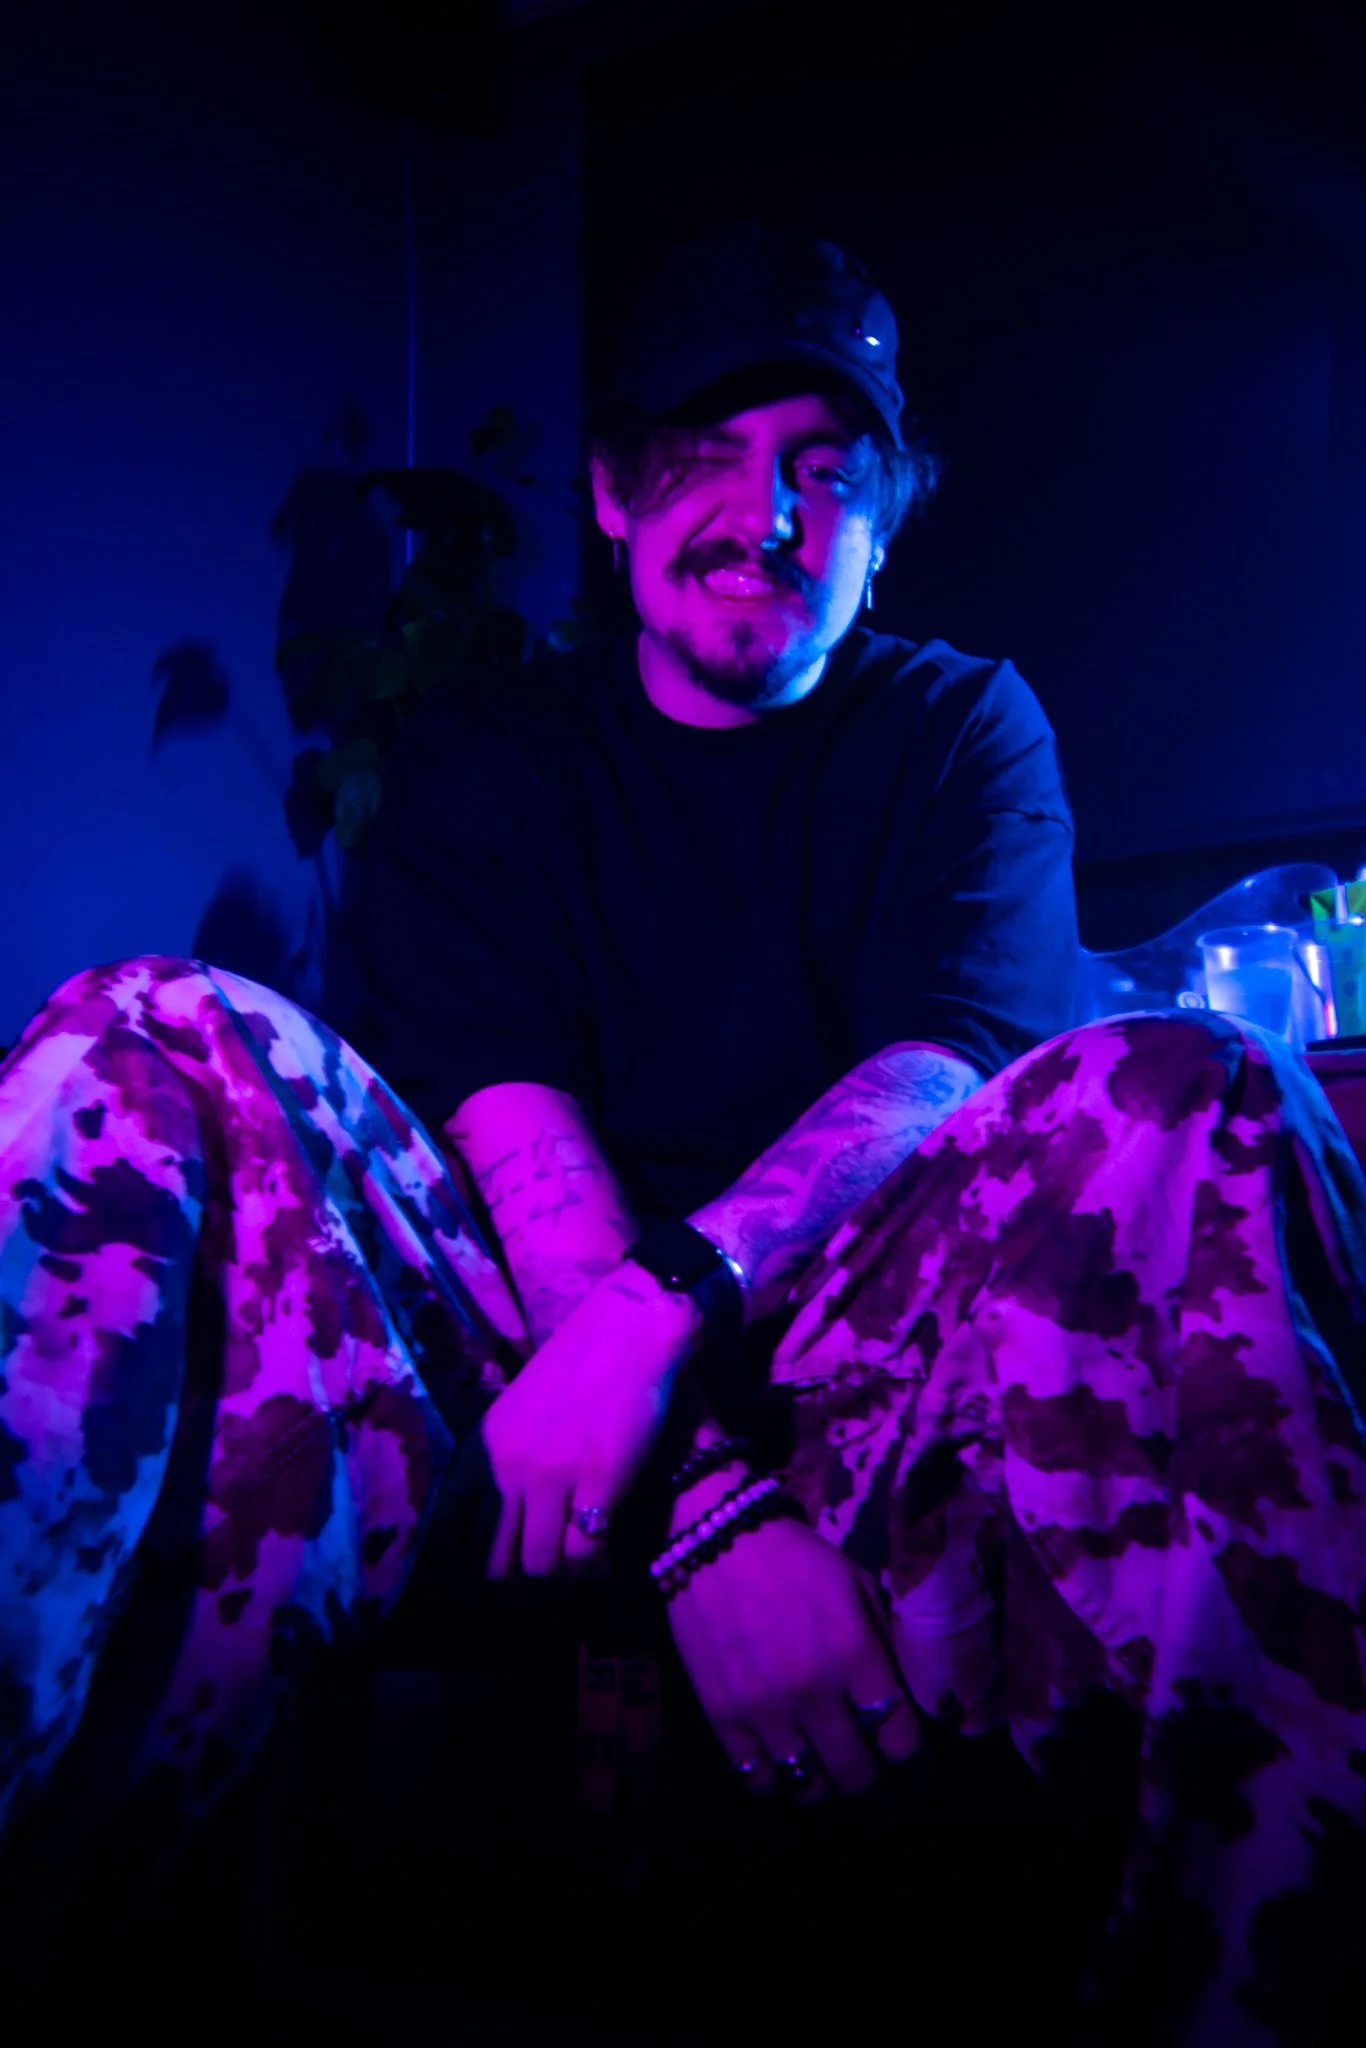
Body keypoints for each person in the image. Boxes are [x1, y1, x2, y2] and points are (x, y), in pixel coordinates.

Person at [1, 227, 1364, 2045]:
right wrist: (699, 1515)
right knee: (137, 1032)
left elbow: (939, 1067)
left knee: (1208, 1087)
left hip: (864, 1368)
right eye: (705, 456)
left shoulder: (960, 728)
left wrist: (672, 1321)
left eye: (825, 466)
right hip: (516, 1383)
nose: (766, 514)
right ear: (611, 496)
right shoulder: (490, 753)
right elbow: (510, 1128)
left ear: (886, 517)